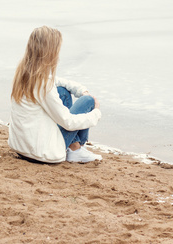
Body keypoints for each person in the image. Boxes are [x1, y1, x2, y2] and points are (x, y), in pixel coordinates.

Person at [8, 26, 102, 163]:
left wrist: (80, 90)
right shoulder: (44, 85)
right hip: (42, 153)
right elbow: (68, 122)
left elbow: (56, 81)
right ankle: (77, 149)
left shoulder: (24, 73)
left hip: (22, 148)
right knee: (88, 101)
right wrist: (96, 113)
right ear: (50, 52)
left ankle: (74, 147)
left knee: (63, 92)